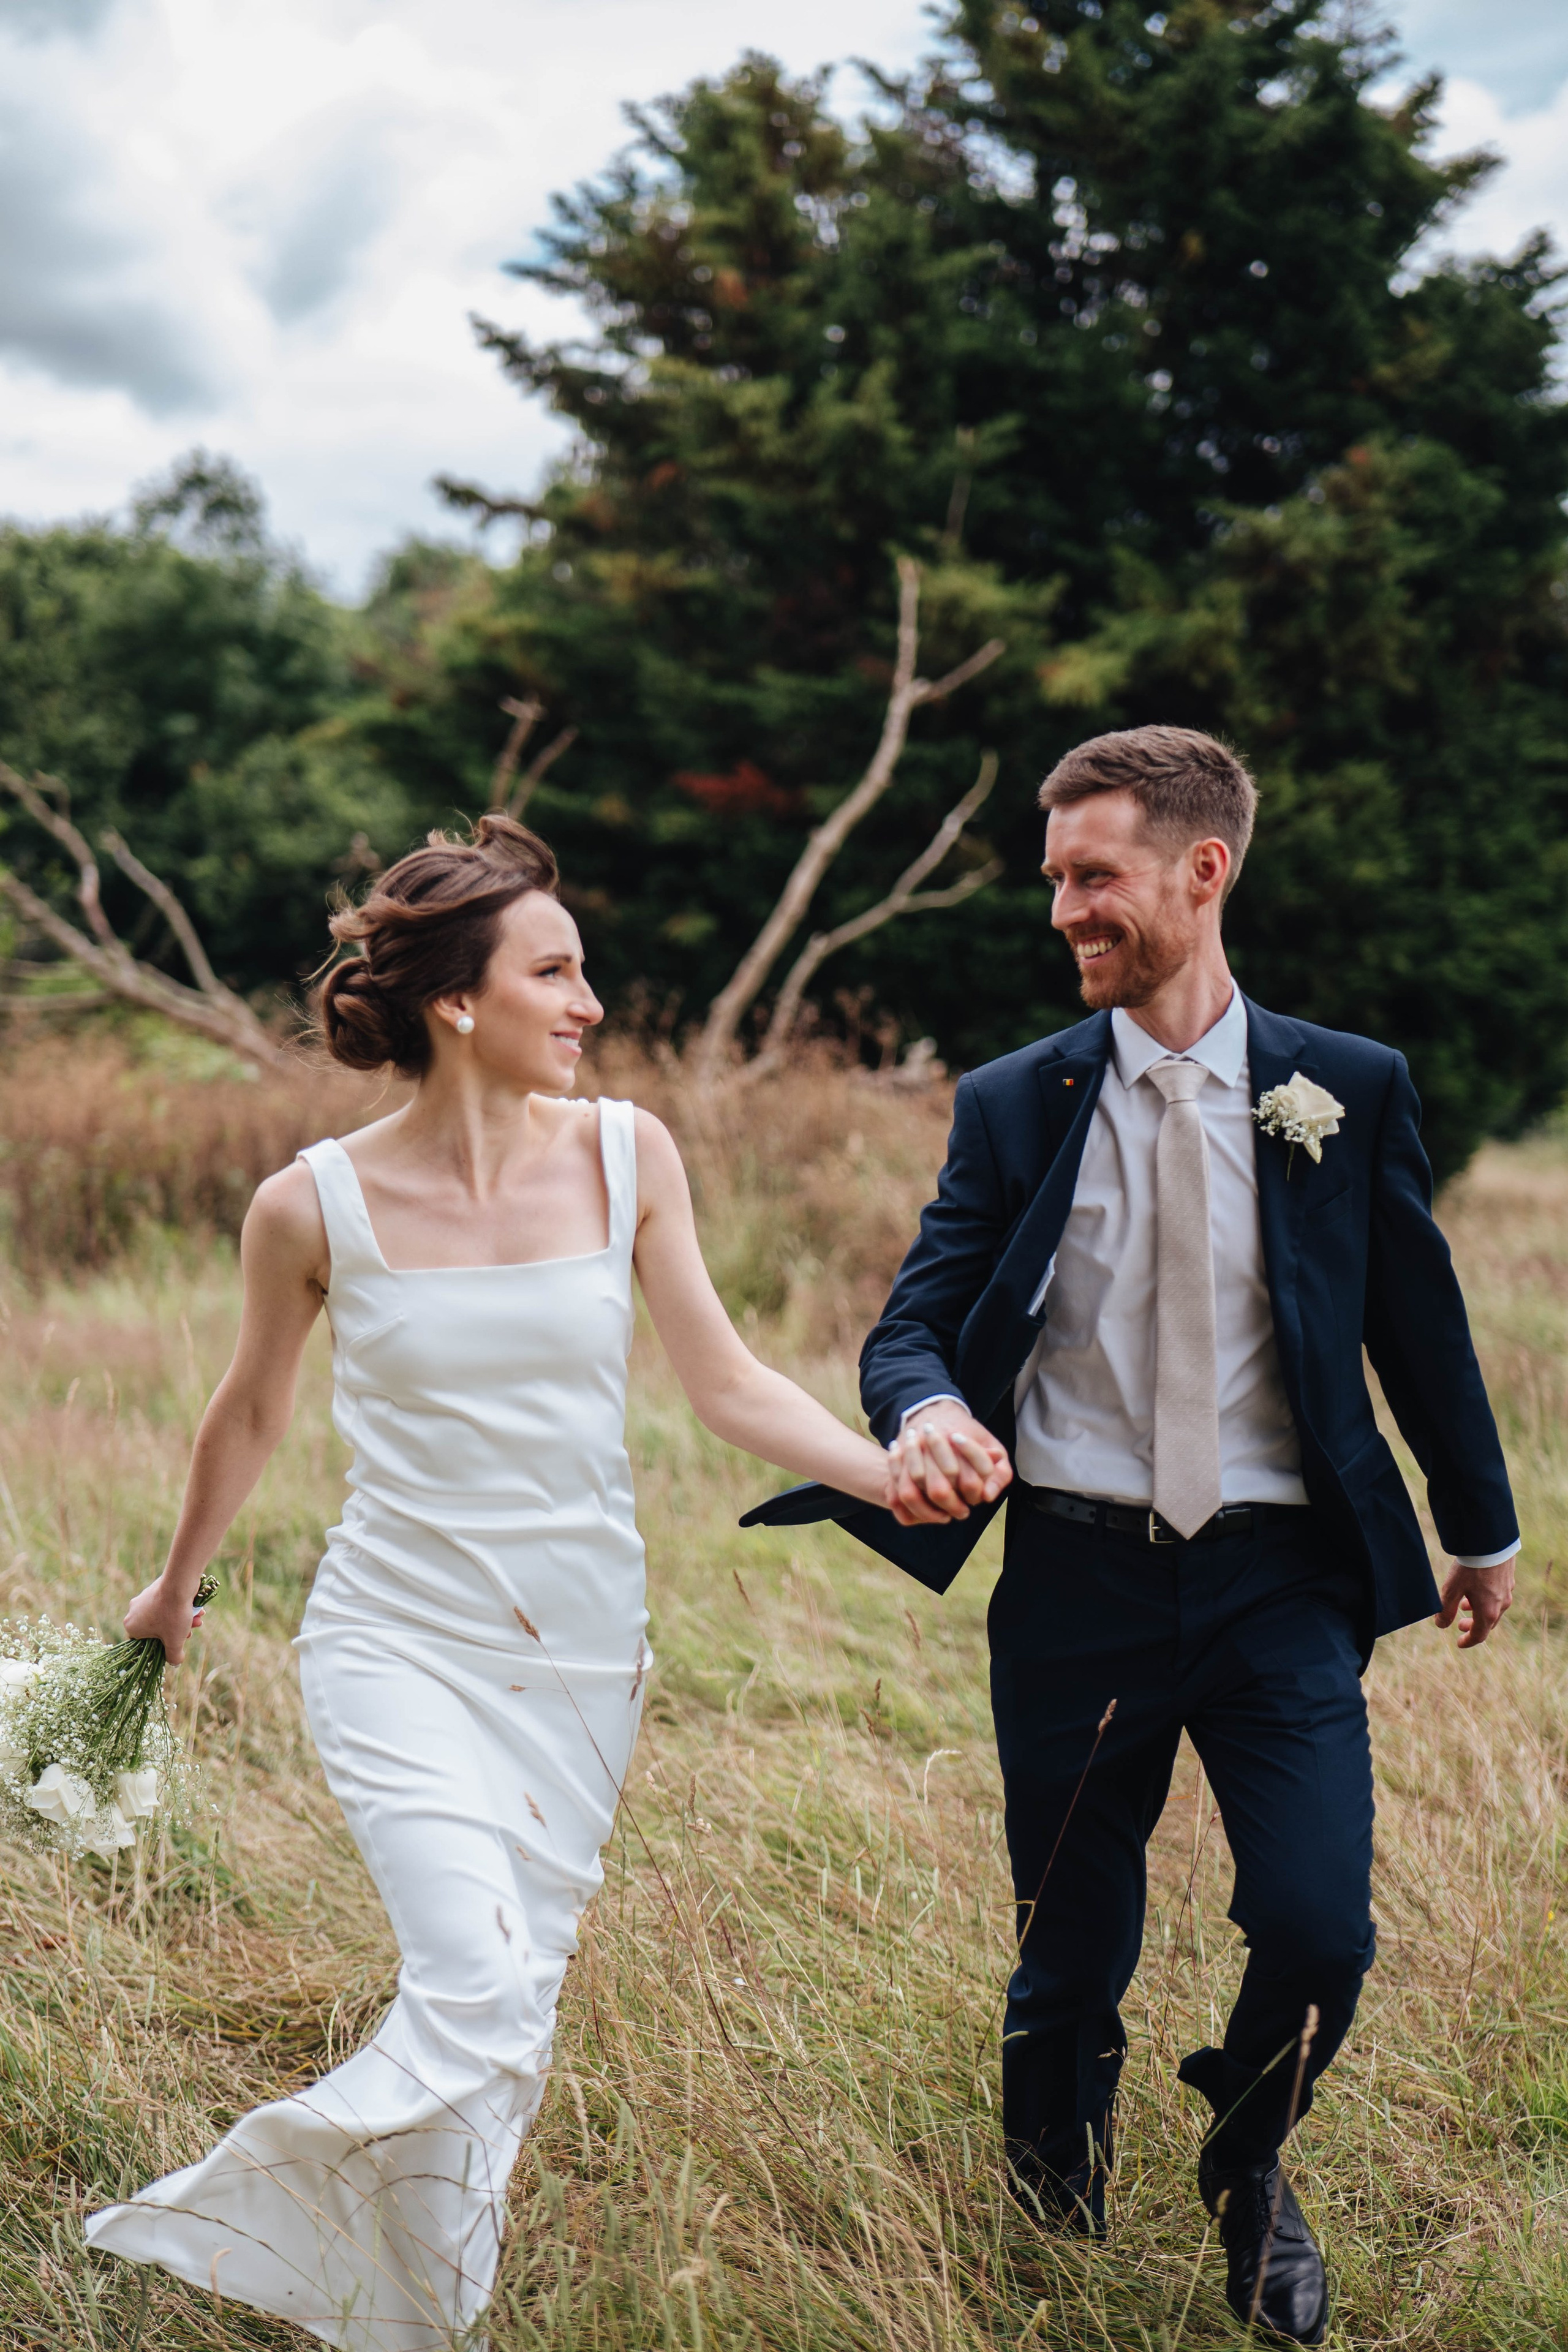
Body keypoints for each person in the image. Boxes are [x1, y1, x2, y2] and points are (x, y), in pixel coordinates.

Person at [85, 815, 1001, 2350]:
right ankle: (237, 2208)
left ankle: (421, 2317)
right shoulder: (311, 1205)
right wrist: (169, 1591)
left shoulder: (627, 1152)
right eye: (556, 971)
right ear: (459, 999)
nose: (588, 1002)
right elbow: (246, 1410)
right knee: (476, 1978)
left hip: (581, 1660)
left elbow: (724, 1383)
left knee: (513, 2020)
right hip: (391, 1639)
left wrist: (880, 1468)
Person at [744, 726, 1518, 2346]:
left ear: (1200, 871)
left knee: (1318, 1925)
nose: (1065, 913)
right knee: (1068, 1939)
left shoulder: (1344, 1089)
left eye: (1095, 879)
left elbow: (1418, 1327)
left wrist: (1480, 1528)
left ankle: (1249, 2162)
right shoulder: (1016, 1103)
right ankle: (1051, 2216)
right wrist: (927, 1415)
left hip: (1279, 1581)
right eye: (1057, 882)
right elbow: (916, 1326)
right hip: (1079, 1578)